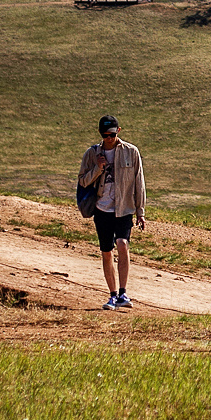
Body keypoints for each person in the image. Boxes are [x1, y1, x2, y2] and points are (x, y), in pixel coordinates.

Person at [79, 114, 147, 310]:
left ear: (118, 131)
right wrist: (98, 169)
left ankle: (124, 293)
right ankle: (112, 295)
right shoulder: (91, 154)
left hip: (124, 208)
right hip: (102, 209)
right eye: (104, 135)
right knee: (107, 252)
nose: (108, 138)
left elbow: (139, 183)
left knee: (122, 244)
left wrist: (140, 212)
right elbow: (83, 181)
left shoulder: (131, 152)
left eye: (111, 134)